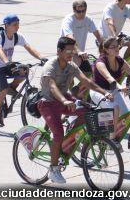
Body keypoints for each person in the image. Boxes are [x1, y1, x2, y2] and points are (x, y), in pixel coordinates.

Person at [38, 36, 113, 184]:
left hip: (64, 99)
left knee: (87, 112)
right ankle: (53, 169)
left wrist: (104, 92)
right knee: (58, 133)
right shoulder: (50, 66)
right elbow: (52, 86)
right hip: (48, 103)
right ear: (59, 51)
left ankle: (68, 141)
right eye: (68, 51)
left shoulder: (71, 65)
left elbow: (86, 81)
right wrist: (64, 100)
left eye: (73, 51)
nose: (71, 54)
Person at [90, 37, 130, 148]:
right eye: (113, 47)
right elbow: (109, 78)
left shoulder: (119, 60)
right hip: (99, 91)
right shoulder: (100, 62)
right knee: (115, 108)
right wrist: (120, 87)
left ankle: (107, 132)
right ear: (106, 49)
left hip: (113, 90)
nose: (117, 48)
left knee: (125, 115)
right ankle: (112, 141)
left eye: (117, 46)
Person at [0, 14, 46, 127]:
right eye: (14, 25)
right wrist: (6, 61)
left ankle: (12, 88)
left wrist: (41, 57)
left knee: (25, 70)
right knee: (3, 90)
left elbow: (29, 47)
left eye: (18, 24)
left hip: (7, 65)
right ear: (6, 25)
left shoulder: (17, 36)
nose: (17, 27)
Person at [60, 0, 103, 74]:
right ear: (74, 10)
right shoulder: (68, 20)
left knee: (92, 71)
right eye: (79, 11)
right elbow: (70, 38)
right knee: (76, 64)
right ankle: (68, 78)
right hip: (66, 51)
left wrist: (106, 46)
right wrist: (79, 51)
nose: (81, 13)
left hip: (80, 53)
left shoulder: (88, 19)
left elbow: (97, 34)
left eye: (83, 11)